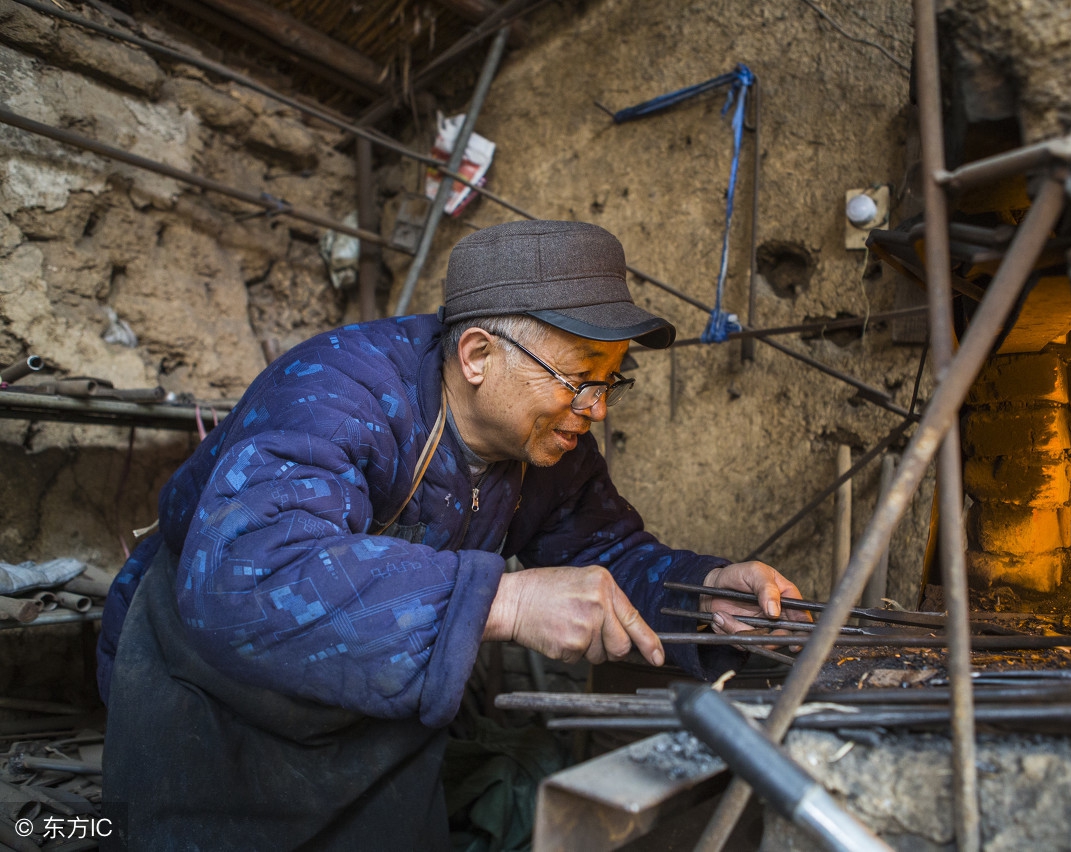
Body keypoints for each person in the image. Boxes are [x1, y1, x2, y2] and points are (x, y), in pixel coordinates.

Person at [98, 219, 805, 850]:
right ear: (475, 355)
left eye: (612, 380)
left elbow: (607, 555)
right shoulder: (336, 389)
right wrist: (507, 601)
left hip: (360, 716)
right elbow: (249, 578)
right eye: (578, 377)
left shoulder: (554, 450)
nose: (594, 408)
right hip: (215, 699)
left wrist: (702, 596)